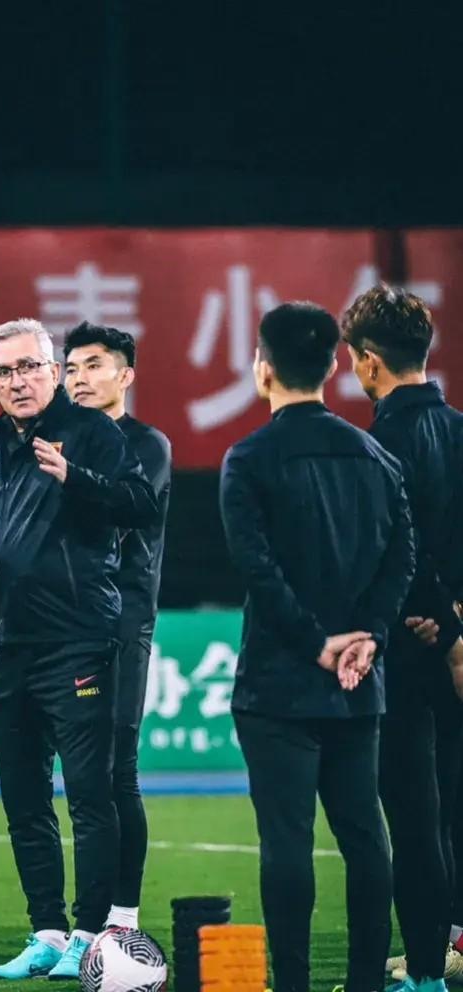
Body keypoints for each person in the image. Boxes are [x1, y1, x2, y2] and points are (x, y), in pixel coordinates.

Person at [221, 302, 415, 992]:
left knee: (286, 841)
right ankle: (364, 981)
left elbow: (257, 569)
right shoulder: (375, 455)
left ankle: (295, 983)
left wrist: (316, 644)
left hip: (278, 685)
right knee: (365, 837)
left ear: (262, 368)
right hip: (358, 685)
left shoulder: (248, 459)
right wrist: (369, 638)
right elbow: (401, 559)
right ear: (333, 365)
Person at [0, 318, 157, 981]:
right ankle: (44, 931)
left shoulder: (94, 432)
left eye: (28, 367)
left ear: (51, 370)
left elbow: (140, 505)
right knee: (23, 799)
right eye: (2, 372)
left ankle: (89, 936)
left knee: (90, 797)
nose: (16, 381)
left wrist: (77, 477)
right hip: (7, 643)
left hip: (78, 642)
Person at [342, 286, 463, 992]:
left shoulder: (375, 444)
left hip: (407, 650)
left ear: (367, 360)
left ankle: (423, 966)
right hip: (459, 641)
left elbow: (389, 549)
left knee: (414, 814)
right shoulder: (460, 429)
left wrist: (432, 619)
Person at [63, 321, 171, 929]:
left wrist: (66, 476)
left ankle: (121, 921)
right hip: (59, 627)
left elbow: (126, 508)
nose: (80, 378)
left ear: (125, 375)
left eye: (95, 365)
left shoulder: (146, 445)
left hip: (121, 624)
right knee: (75, 783)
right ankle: (69, 926)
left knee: (116, 773)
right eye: (71, 368)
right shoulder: (55, 441)